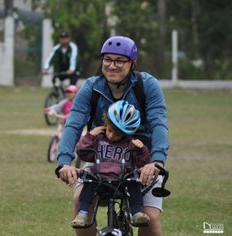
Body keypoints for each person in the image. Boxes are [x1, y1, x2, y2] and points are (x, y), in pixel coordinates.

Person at [55, 36, 169, 236]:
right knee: (79, 201)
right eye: (107, 59)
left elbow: (159, 123)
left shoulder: (148, 85)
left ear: (132, 63)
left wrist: (157, 161)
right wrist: (64, 162)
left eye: (119, 60)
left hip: (142, 161)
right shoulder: (91, 87)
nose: (112, 66)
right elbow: (73, 124)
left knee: (149, 219)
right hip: (103, 157)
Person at [71, 101, 150, 228]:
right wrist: (90, 136)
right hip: (99, 179)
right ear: (106, 123)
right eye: (109, 130)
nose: (112, 136)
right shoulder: (99, 139)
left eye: (117, 134)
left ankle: (137, 213)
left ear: (127, 132)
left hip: (122, 180)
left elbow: (142, 163)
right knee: (88, 182)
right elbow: (83, 154)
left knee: (134, 183)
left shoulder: (131, 143)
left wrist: (142, 150)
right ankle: (82, 213)